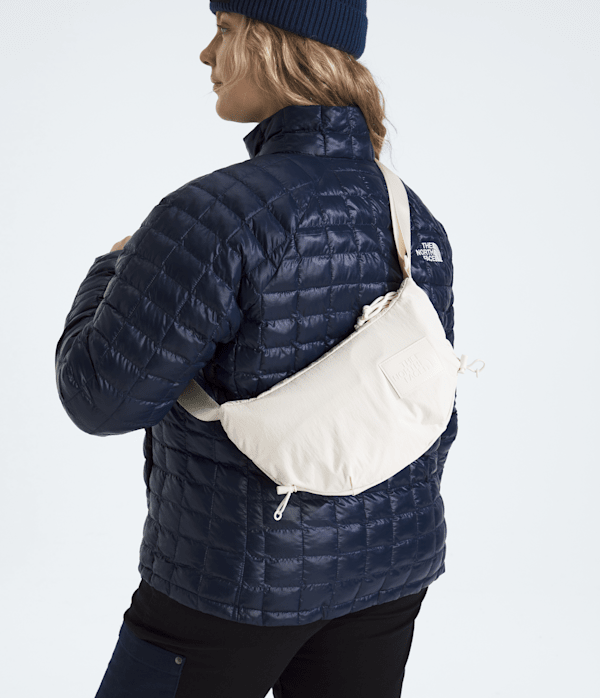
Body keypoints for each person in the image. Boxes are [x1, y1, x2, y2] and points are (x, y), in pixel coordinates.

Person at [55, 2, 458, 696]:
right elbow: (430, 403)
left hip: (231, 580)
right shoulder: (410, 214)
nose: (206, 55)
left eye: (224, 30)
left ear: (274, 45)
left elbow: (100, 399)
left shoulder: (214, 213)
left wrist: (110, 269)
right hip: (389, 569)